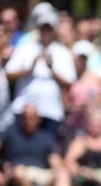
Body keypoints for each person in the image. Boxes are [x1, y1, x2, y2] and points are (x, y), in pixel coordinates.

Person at [5, 10, 76, 139]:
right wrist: (29, 70)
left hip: (51, 111)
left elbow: (70, 82)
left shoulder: (63, 52)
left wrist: (52, 69)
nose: (46, 32)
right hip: (24, 109)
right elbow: (9, 73)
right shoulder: (26, 47)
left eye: (49, 28)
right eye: (43, 28)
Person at [0, 104, 70, 186]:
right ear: (21, 118)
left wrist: (57, 168)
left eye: (32, 117)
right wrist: (0, 164)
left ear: (38, 119)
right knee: (18, 171)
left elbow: (55, 159)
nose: (28, 120)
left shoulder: (46, 137)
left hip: (40, 174)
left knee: (63, 173)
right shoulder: (10, 133)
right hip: (18, 173)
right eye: (25, 117)